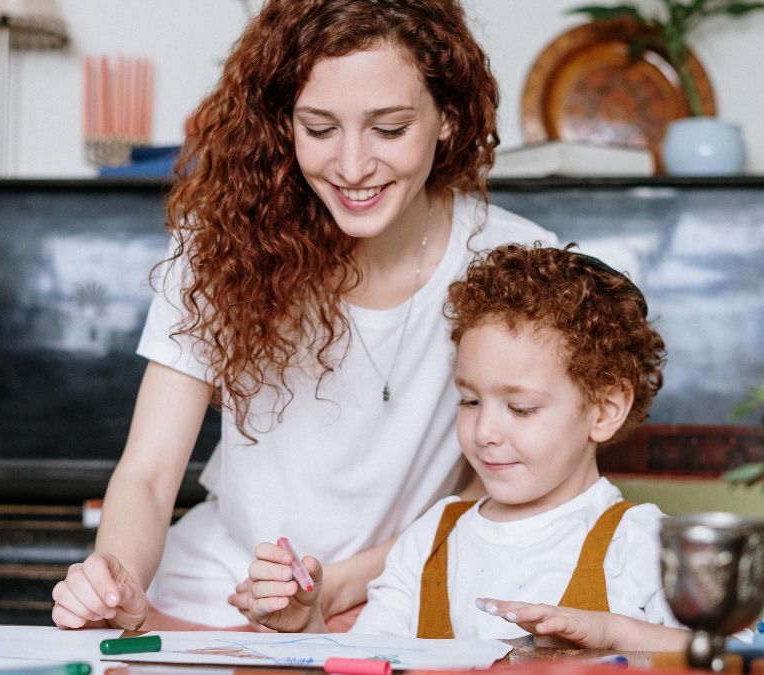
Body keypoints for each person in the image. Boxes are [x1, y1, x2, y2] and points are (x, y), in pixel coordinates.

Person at [51, 0, 557, 631]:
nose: (351, 167)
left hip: (399, 593)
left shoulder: (520, 267)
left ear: (448, 117)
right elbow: (150, 477)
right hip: (210, 593)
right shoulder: (219, 247)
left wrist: (343, 586)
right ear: (283, 125)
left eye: (390, 129)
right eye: (319, 130)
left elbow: (511, 489)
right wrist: (115, 577)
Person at [244, 244, 690, 651]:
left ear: (604, 410)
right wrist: (308, 630)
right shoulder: (432, 539)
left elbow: (728, 659)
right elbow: (367, 662)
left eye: (520, 408)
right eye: (470, 401)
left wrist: (613, 633)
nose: (484, 431)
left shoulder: (646, 544)